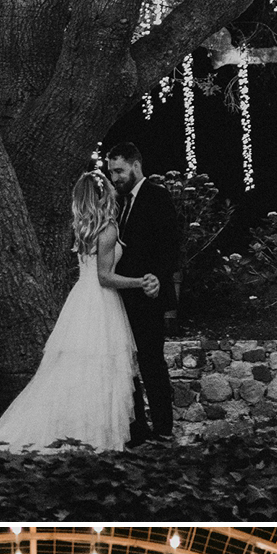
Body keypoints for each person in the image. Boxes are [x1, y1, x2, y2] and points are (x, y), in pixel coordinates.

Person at [0, 172, 156, 453]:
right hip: (101, 301)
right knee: (101, 368)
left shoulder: (84, 227)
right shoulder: (107, 229)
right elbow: (105, 277)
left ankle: (80, 431)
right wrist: (139, 281)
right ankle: (97, 436)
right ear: (104, 194)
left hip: (81, 299)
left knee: (78, 369)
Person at [106, 143, 181, 445]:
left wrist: (158, 279)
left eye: (119, 170)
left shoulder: (156, 196)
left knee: (151, 361)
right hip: (122, 296)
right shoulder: (117, 202)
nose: (115, 177)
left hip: (148, 295)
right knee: (125, 364)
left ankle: (162, 429)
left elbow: (170, 246)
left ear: (136, 165)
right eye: (111, 172)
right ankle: (136, 429)